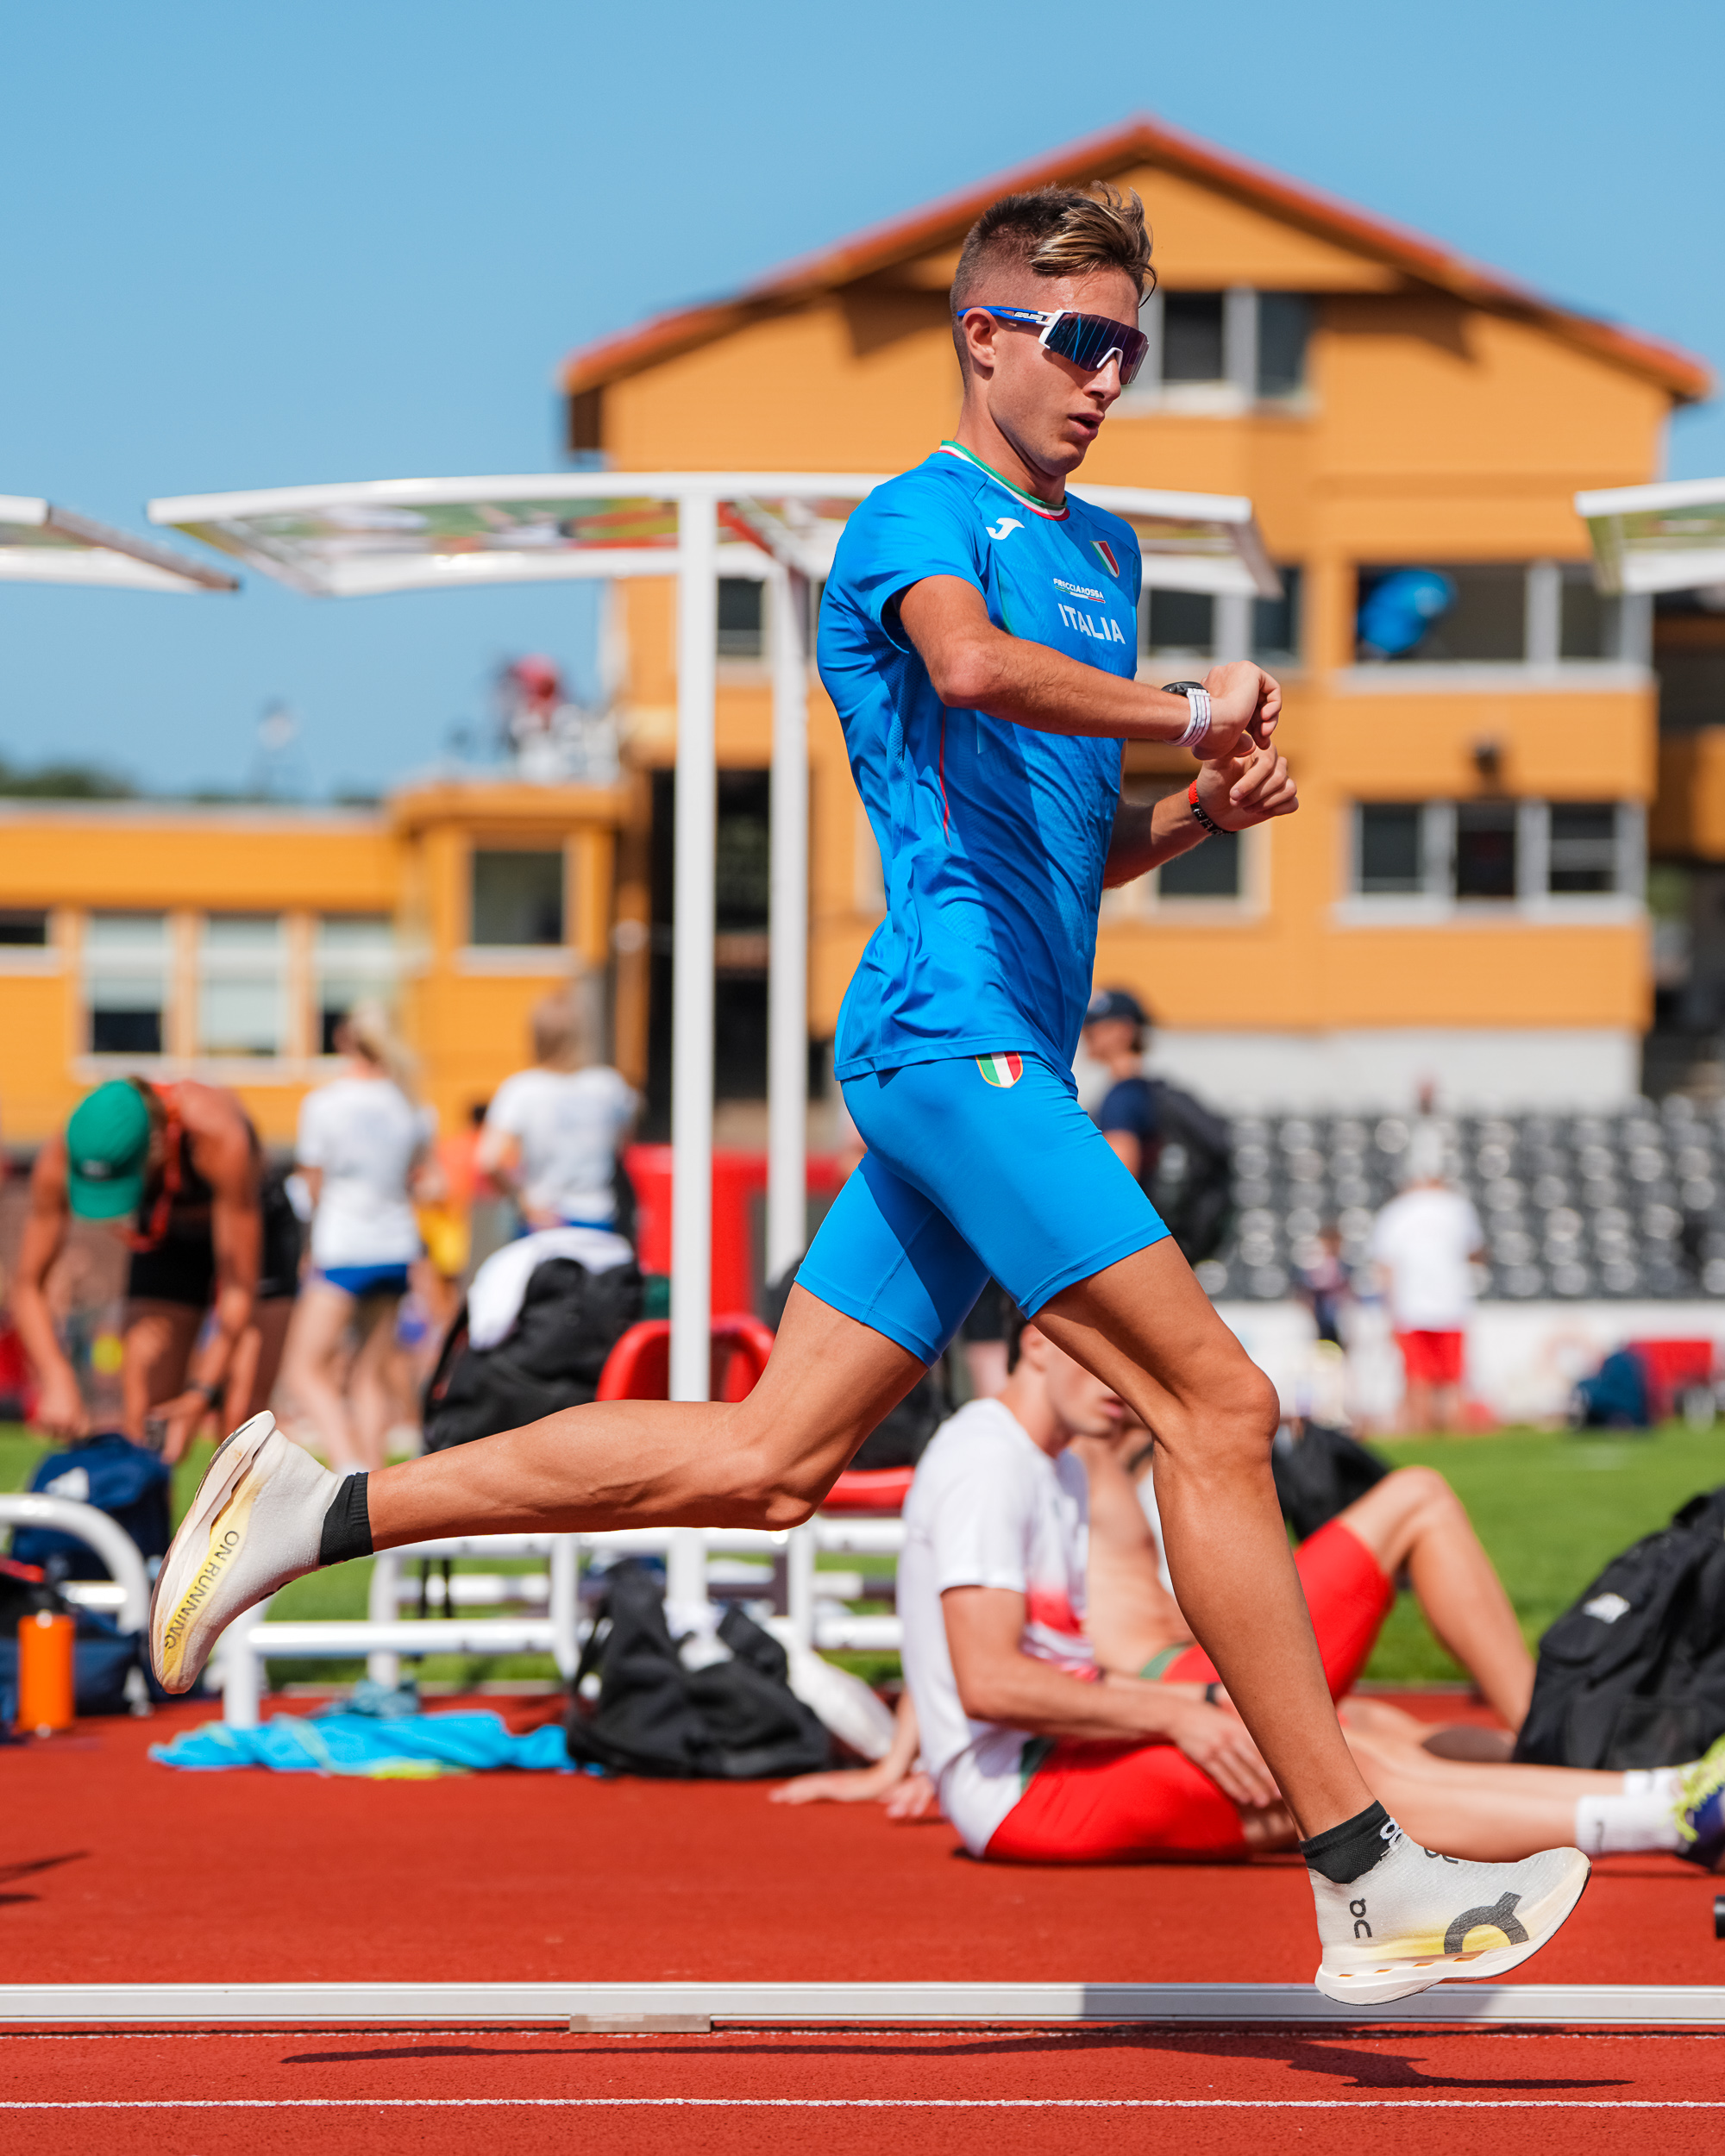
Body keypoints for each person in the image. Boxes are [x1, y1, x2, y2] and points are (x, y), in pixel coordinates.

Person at [148, 180, 1580, 2003]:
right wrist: (1185, 710)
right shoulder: (920, 515)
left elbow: (1057, 854)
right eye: (1078, 341)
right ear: (984, 334)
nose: (1106, 378)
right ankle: (1363, 1870)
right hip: (947, 1039)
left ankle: (318, 1508)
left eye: (1130, 350)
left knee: (768, 1464)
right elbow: (970, 668)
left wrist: (1192, 815)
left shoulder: (1104, 547)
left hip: (984, 1045)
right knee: (1218, 1402)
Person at [885, 1317, 1724, 1873]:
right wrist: (1181, 1713)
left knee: (1357, 1748)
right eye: (1106, 1356)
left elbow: (984, 1649)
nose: (1126, 1379)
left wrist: (1192, 1703)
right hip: (1026, 1791)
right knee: (1345, 1777)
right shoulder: (987, 1461)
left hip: (1065, 1747)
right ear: (1036, 1341)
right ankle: (1673, 1808)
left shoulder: (1052, 1463)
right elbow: (987, 1679)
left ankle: (1673, 1792)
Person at [10, 1076, 298, 1463]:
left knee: (242, 1424)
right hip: (168, 1238)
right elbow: (28, 1285)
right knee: (147, 1422)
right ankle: (148, 1501)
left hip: (255, 1231)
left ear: (159, 1142)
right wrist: (56, 1377)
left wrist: (200, 1394)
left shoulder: (215, 1133)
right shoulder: (66, 1151)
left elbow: (237, 1291)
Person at [280, 1006, 436, 1474]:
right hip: (396, 1247)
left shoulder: (326, 1103)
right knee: (370, 1376)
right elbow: (416, 1175)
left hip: (344, 1248)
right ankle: (374, 1487)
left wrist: (307, 1247)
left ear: (345, 1039)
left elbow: (312, 1184)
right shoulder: (411, 1103)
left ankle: (348, 1464)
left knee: (304, 1369)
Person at [477, 987, 636, 1233]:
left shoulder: (521, 1089)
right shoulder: (610, 1086)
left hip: (544, 1218)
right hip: (598, 1218)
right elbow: (623, 1142)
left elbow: (489, 1160)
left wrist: (521, 1201)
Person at [1369, 1125, 1485, 1434]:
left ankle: (1424, 1438)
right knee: (1453, 1380)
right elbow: (1475, 1252)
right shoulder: (1458, 1208)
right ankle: (1456, 1438)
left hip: (1411, 1307)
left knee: (1417, 1378)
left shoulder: (1395, 1212)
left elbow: (1385, 1268)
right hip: (1451, 1306)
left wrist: (1389, 1312)